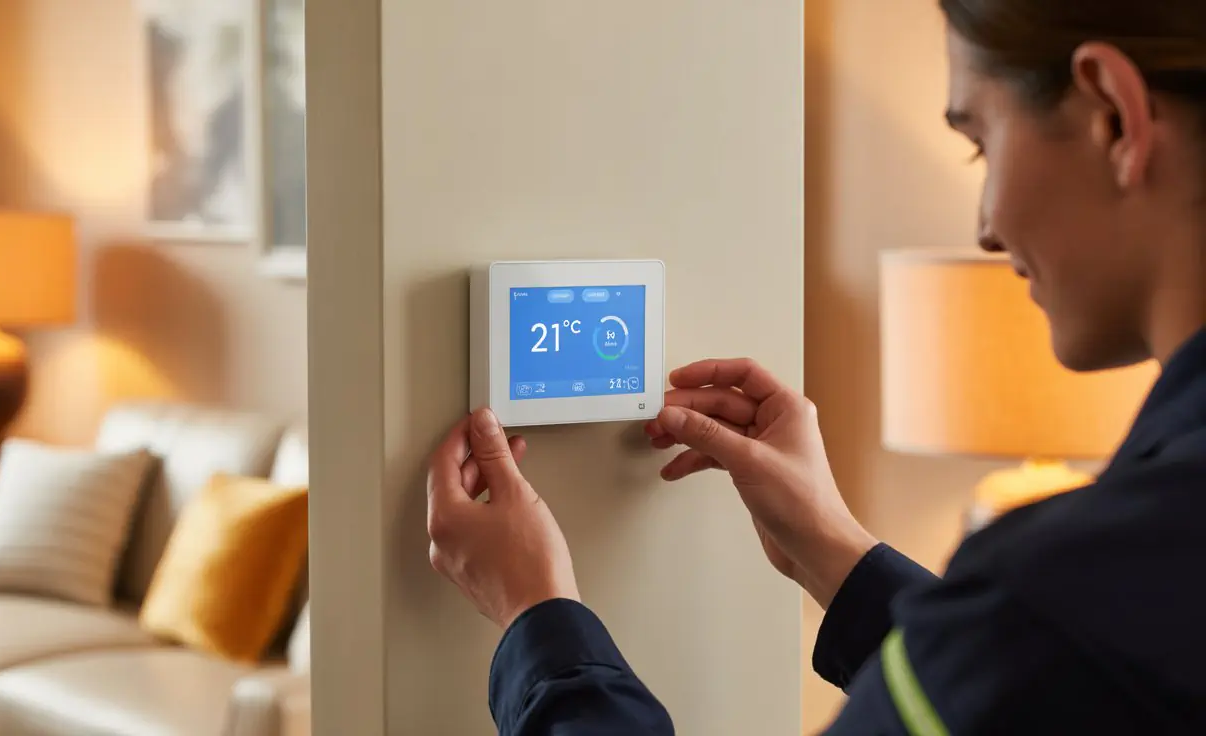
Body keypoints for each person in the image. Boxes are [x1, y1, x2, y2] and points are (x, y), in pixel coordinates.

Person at [425, 0, 1206, 733]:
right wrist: (834, 550)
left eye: (979, 140)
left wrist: (537, 617)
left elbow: (1030, 661)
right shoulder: (1097, 602)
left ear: (1114, 116)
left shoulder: (1057, 598)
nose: (986, 228)